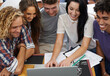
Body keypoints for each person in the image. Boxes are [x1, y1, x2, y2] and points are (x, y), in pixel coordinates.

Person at [46, 0, 96, 67]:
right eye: (71, 9)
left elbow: (84, 46)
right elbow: (59, 41)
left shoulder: (90, 19)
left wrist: (68, 59)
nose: (73, 13)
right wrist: (53, 59)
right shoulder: (62, 18)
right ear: (67, 7)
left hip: (90, 50)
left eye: (78, 10)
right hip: (74, 49)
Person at [0, 6, 35, 75]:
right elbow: (17, 69)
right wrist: (23, 47)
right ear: (4, 26)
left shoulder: (20, 26)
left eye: (20, 25)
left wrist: (14, 65)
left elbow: (31, 49)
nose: (19, 30)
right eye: (14, 27)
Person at [93, 0, 110, 76]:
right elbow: (99, 47)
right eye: (98, 17)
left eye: (105, 18)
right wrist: (103, 72)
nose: (101, 22)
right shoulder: (96, 24)